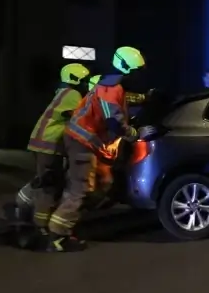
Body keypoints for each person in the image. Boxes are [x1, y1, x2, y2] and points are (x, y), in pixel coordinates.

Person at [46, 46, 155, 252]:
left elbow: (123, 100)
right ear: (126, 69)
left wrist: (145, 99)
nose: (139, 76)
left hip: (88, 141)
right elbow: (114, 121)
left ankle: (68, 218)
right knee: (80, 188)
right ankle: (57, 236)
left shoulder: (113, 85)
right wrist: (135, 134)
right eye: (136, 71)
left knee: (103, 183)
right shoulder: (110, 89)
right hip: (82, 141)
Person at [15, 63, 91, 243]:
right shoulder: (73, 95)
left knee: (48, 183)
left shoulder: (62, 92)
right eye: (84, 80)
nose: (86, 84)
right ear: (76, 79)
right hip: (49, 145)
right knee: (48, 187)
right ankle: (39, 227)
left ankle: (32, 216)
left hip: (43, 144)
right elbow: (80, 116)